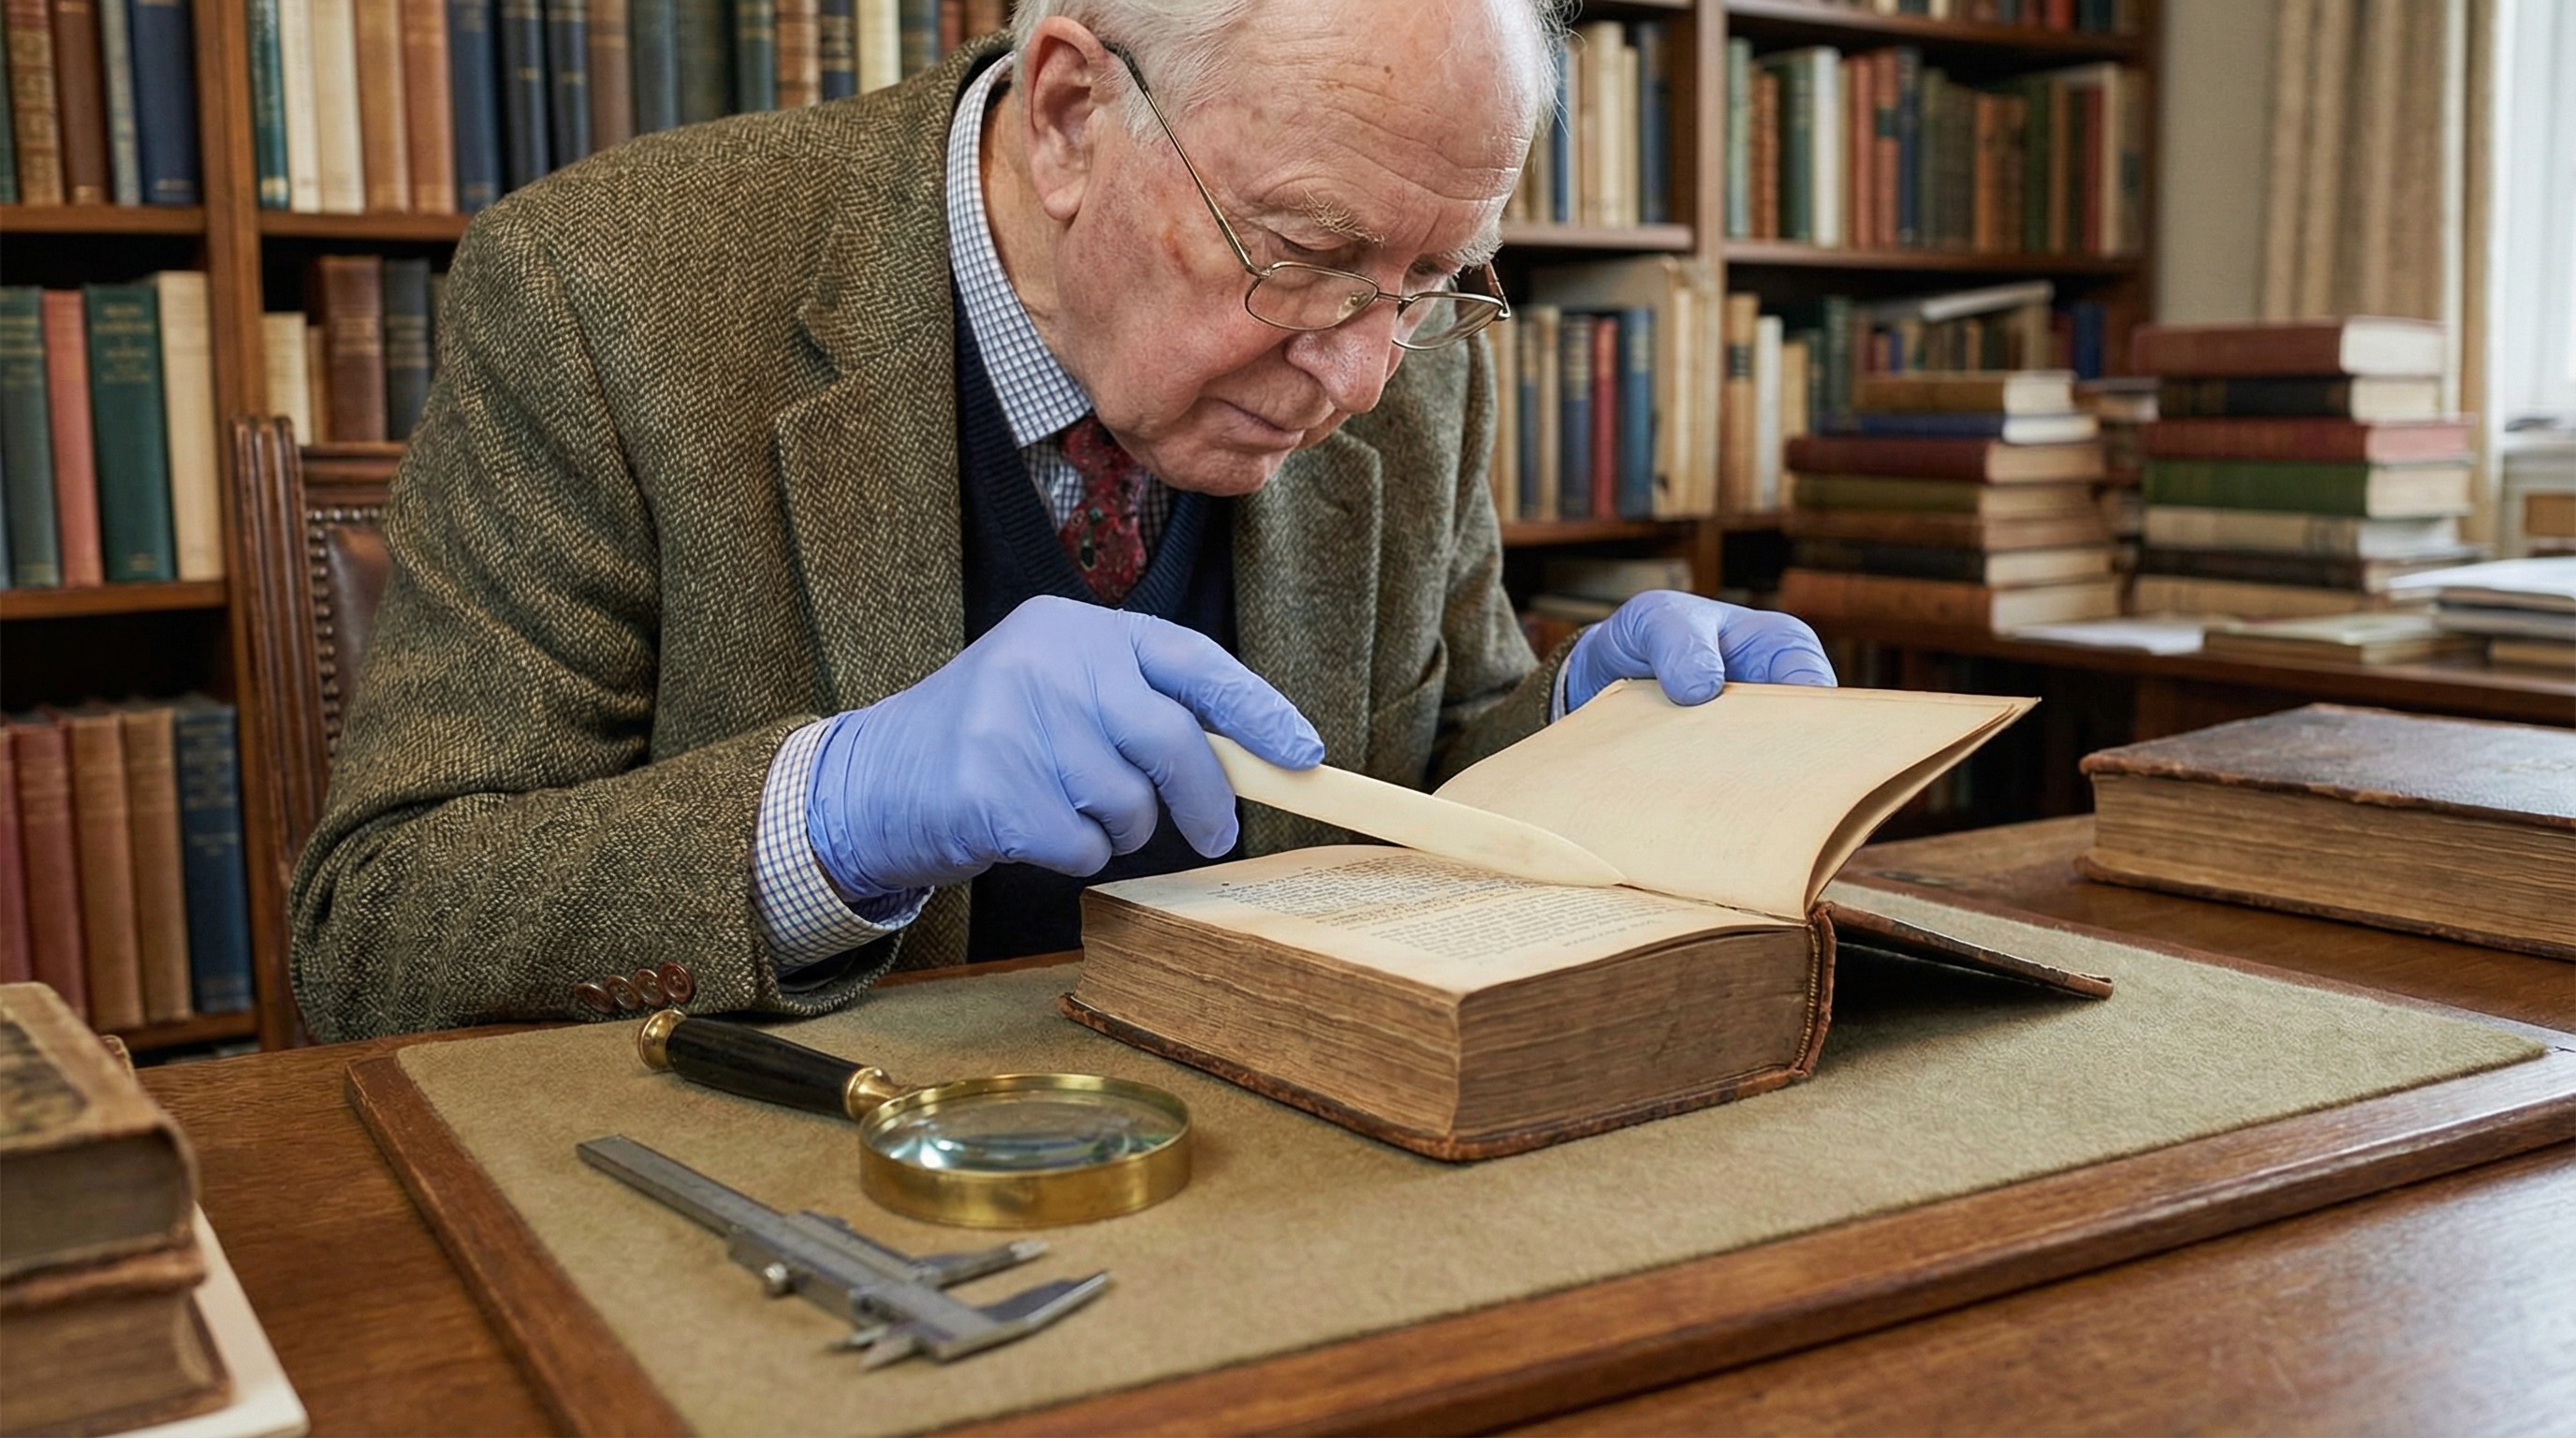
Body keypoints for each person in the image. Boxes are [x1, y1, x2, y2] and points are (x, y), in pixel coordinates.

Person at [289, 0, 1835, 1042]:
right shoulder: (601, 294)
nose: (1364, 374)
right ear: (1071, 114)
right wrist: (827, 818)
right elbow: (377, 936)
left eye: (1435, 280)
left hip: (1311, 1196)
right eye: (1301, 253)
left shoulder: (1405, 352)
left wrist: (1608, 734)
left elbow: (1435, 780)